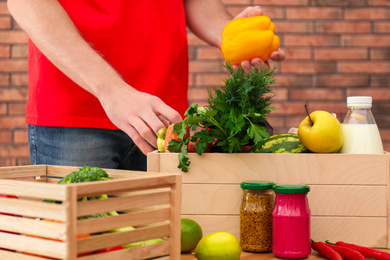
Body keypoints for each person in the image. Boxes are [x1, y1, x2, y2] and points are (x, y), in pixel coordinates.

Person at [7, 0, 285, 171]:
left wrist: (231, 36)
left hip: (164, 121)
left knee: (159, 246)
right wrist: (113, 91)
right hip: (75, 116)